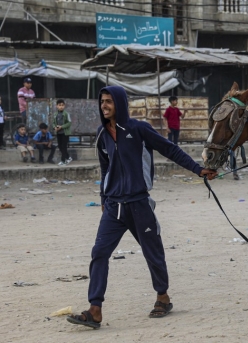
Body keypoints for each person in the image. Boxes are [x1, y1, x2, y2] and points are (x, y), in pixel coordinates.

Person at [66, 86, 217, 329]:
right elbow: (105, 168)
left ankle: (162, 297)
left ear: (120, 104)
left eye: (109, 102)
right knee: (99, 253)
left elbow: (170, 149)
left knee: (152, 251)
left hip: (139, 203)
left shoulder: (139, 129)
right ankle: (95, 309)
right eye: (102, 102)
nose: (104, 106)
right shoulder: (101, 133)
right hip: (114, 206)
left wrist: (198, 169)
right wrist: (103, 198)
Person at [52, 99, 72, 166]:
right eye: (59, 105)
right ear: (57, 106)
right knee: (60, 146)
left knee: (64, 147)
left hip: (65, 133)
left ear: (64, 106)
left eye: (62, 105)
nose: (61, 107)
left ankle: (63, 161)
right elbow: (53, 123)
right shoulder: (55, 114)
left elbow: (69, 123)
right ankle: (68, 157)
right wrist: (55, 127)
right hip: (58, 133)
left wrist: (62, 127)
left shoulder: (66, 114)